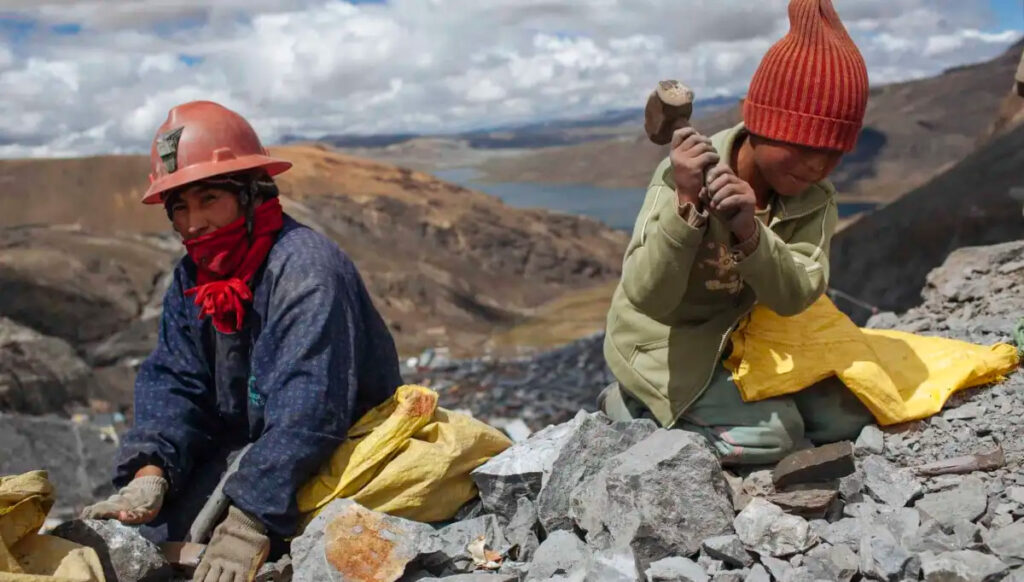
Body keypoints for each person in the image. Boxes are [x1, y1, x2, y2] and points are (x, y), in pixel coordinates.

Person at [82, 101, 403, 581]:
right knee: (141, 540)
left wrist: (249, 520)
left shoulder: (305, 271)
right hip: (252, 447)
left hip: (336, 444)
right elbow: (174, 379)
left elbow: (310, 410)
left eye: (209, 198)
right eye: (180, 208)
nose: (194, 224)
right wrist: (152, 470)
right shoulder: (194, 275)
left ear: (253, 194)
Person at [600, 0, 876, 465]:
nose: (819, 166)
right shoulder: (680, 178)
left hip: (743, 334)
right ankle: (629, 404)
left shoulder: (815, 196)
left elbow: (796, 295)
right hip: (667, 342)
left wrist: (750, 232)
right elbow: (648, 296)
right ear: (763, 122)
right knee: (778, 434)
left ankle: (714, 408)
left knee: (850, 414)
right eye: (805, 145)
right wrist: (687, 208)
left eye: (836, 153)